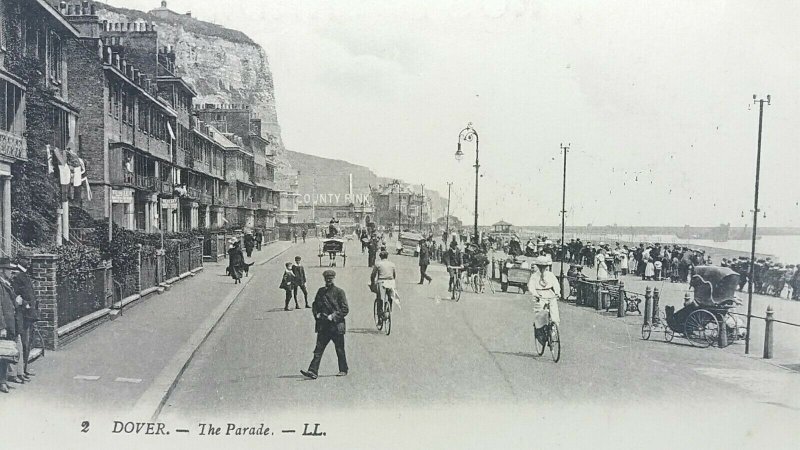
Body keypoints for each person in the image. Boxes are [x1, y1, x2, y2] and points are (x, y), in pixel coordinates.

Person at [301, 270, 349, 379]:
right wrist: (316, 314)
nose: (328, 280)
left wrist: (333, 316)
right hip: (323, 326)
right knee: (318, 349)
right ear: (324, 279)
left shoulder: (339, 292)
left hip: (336, 327)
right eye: (327, 278)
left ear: (333, 279)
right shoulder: (320, 291)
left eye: (330, 278)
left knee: (340, 349)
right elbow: (315, 305)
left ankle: (343, 369)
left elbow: (345, 309)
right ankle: (312, 371)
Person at [10, 262, 36, 380]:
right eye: (26, 259)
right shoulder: (18, 276)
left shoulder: (25, 275)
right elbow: (16, 296)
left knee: (27, 343)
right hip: (23, 315)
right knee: (23, 343)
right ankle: (19, 372)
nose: (29, 262)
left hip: (29, 315)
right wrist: (25, 304)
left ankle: (24, 369)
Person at [528, 255, 561, 345]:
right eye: (541, 267)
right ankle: (541, 332)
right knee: (540, 314)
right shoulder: (534, 276)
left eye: (545, 267)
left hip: (550, 294)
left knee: (554, 314)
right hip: (539, 295)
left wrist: (557, 292)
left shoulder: (550, 275)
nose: (543, 268)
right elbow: (531, 286)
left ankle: (553, 334)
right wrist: (535, 294)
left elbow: (556, 284)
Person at [0, 262, 17, 393]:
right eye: (9, 269)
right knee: (3, 354)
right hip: (4, 325)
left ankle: (3, 381)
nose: (11, 272)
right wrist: (2, 327)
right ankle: (2, 382)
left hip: (10, 323)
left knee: (5, 354)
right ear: (2, 270)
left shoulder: (6, 284)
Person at [370, 251, 397, 323]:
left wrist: (372, 283)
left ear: (380, 256)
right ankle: (388, 310)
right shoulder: (392, 264)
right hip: (390, 282)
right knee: (390, 297)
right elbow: (394, 275)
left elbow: (373, 275)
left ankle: (380, 318)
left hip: (381, 282)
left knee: (379, 299)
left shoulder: (378, 264)